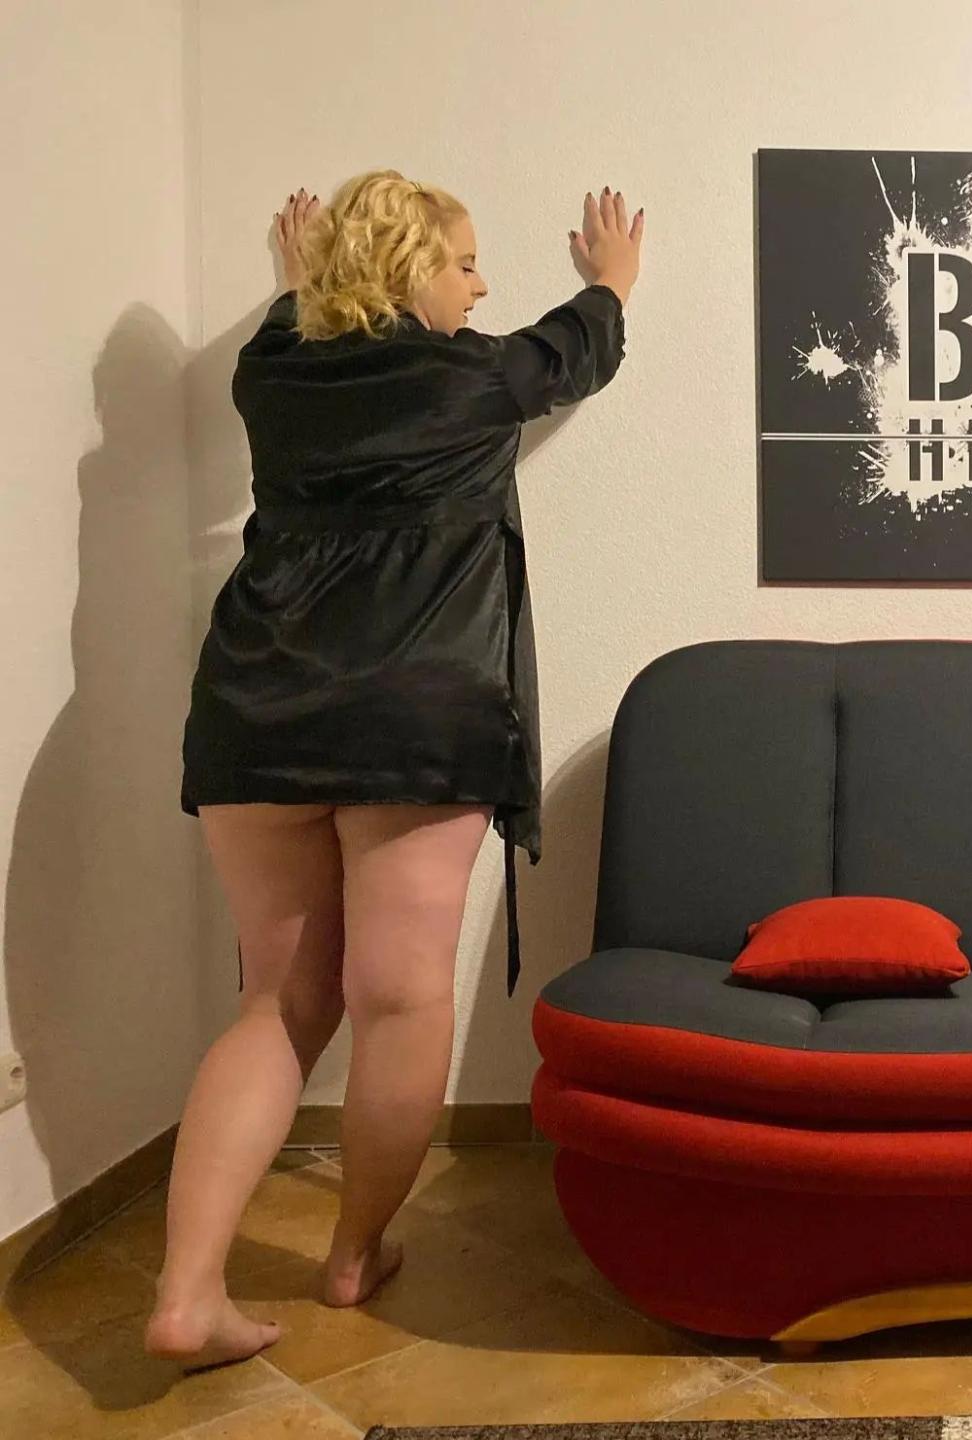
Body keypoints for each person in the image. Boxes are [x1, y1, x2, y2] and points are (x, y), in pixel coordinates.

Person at [146, 169, 643, 1369]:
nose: (481, 286)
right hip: (415, 716)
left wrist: (297, 286)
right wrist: (615, 282)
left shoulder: (271, 375)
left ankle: (185, 1293)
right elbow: (575, 352)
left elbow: (299, 332)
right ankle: (355, 1256)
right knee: (400, 997)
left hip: (255, 709)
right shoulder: (473, 378)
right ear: (410, 269)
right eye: (464, 263)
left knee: (276, 1003)